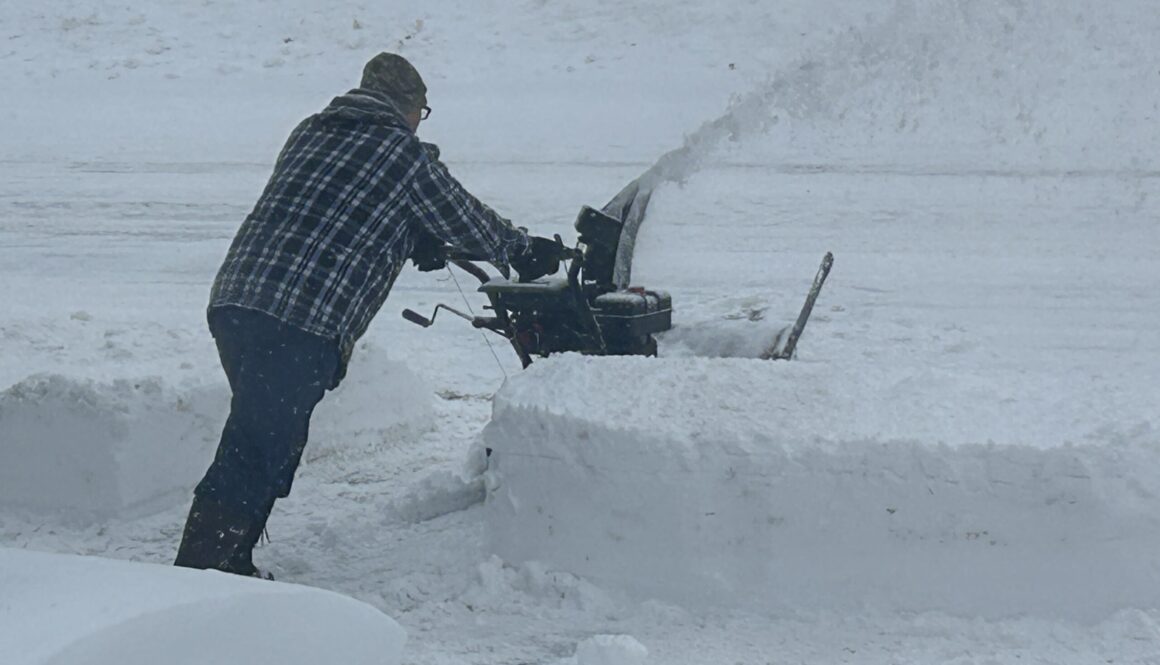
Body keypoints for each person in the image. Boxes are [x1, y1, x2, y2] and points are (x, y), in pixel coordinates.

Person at [174, 52, 561, 576]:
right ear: (408, 108)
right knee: (259, 443)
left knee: (265, 433)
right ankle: (202, 570)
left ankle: (229, 560)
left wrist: (408, 233)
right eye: (421, 113)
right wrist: (521, 249)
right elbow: (462, 216)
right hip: (300, 316)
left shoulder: (310, 131)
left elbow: (337, 203)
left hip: (238, 301)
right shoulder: (401, 153)